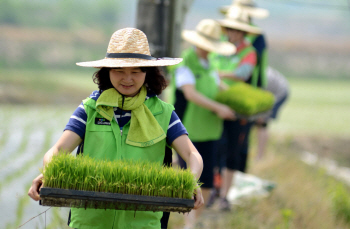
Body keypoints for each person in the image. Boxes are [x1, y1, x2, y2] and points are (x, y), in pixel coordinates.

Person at [28, 28, 204, 229]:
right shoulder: (90, 109)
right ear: (107, 71)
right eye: (119, 70)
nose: (127, 79)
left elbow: (191, 154)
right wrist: (49, 172)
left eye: (136, 71)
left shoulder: (163, 113)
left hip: (143, 223)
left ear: (147, 73)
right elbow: (58, 151)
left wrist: (191, 181)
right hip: (89, 222)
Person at [171, 19, 236, 228]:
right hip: (189, 132)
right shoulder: (185, 63)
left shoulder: (211, 64)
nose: (207, 50)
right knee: (189, 179)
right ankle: (188, 223)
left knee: (208, 178)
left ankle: (194, 220)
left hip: (210, 130)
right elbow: (190, 93)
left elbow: (219, 85)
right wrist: (218, 108)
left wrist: (239, 100)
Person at [208, 7, 262, 211]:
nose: (232, 33)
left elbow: (242, 74)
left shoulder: (249, 52)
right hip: (214, 107)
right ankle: (212, 189)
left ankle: (224, 196)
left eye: (237, 30)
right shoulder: (218, 47)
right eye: (230, 29)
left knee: (232, 152)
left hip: (237, 110)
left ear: (244, 32)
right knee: (214, 148)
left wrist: (217, 75)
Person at [255, 67, 289, 161]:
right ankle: (260, 155)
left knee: (262, 122)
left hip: (278, 94)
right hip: (271, 92)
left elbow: (262, 96)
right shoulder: (258, 71)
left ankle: (260, 156)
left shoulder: (261, 78)